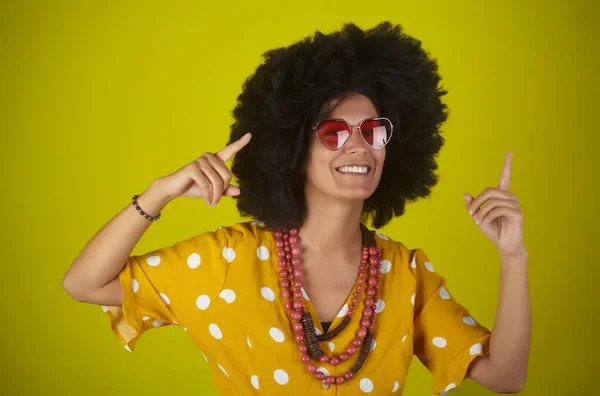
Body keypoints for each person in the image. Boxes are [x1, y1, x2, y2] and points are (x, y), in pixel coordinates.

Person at [62, 21, 530, 395]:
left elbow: (504, 377)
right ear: (292, 150)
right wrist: (158, 193)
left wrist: (513, 256)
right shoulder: (227, 261)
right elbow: (85, 283)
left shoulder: (405, 274)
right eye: (333, 133)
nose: (358, 147)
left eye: (373, 131)